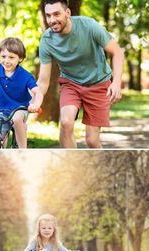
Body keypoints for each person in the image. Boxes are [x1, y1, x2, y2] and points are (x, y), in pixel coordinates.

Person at [37, 0, 124, 148]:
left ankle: (100, 167)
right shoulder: (47, 41)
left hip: (98, 83)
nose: (52, 20)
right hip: (71, 83)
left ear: (68, 13)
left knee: (92, 141)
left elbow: (117, 52)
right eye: (48, 15)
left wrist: (116, 83)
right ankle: (72, 166)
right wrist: (36, 101)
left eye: (56, 14)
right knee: (66, 122)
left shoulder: (89, 26)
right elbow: (43, 81)